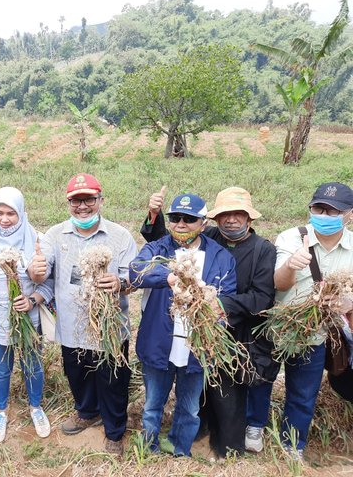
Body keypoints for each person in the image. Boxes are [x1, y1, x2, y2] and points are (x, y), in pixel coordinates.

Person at [140, 186, 277, 457]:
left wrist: (215, 304)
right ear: (214, 221)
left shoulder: (259, 250)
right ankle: (154, 445)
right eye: (225, 214)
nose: (232, 220)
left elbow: (258, 296)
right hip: (175, 335)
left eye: (239, 214)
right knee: (166, 402)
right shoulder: (184, 241)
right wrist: (153, 214)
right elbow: (151, 255)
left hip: (226, 335)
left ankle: (202, 445)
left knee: (209, 400)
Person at [29, 173, 137, 456]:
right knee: (77, 374)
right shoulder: (55, 234)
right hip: (72, 325)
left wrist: (120, 284)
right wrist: (35, 270)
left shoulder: (120, 236)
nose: (83, 206)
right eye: (76, 200)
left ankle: (114, 431)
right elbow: (41, 270)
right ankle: (87, 411)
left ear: (101, 200)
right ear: (68, 203)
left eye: (89, 199)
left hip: (109, 328)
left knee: (113, 380)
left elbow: (133, 278)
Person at [247, 182, 353, 460]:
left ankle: (292, 444)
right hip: (278, 327)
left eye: (334, 211)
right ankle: (254, 427)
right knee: (260, 380)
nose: (325, 215)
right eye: (319, 208)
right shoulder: (291, 238)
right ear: (310, 209)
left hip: (316, 333)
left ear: (349, 214)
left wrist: (343, 304)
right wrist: (291, 266)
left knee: (304, 393)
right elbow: (278, 284)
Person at [130, 193, 237, 457]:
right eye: (175, 218)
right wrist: (166, 277)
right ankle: (149, 446)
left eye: (189, 219)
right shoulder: (158, 248)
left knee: (189, 408)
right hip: (159, 340)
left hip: (197, 347)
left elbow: (228, 294)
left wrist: (214, 305)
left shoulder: (221, 256)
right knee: (153, 403)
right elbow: (136, 270)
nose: (181, 224)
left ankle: (180, 448)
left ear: (203, 222)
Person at [0, 187, 52, 443]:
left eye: (11, 214)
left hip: (29, 319)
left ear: (22, 213)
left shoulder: (37, 240)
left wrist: (32, 300)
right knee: (1, 370)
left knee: (33, 366)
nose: (4, 219)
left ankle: (36, 407)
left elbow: (47, 284)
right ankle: (1, 411)